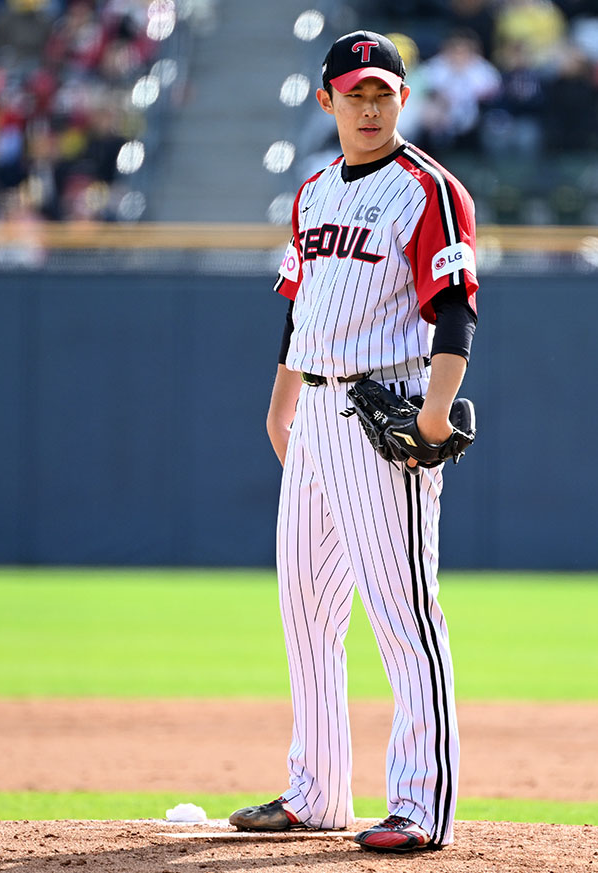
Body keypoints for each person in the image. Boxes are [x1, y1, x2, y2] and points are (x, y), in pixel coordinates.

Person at [228, 30, 479, 854]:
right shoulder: (312, 194)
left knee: (404, 615)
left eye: (383, 92)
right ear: (326, 100)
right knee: (305, 611)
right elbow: (298, 307)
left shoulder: (428, 189)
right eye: (355, 92)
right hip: (314, 418)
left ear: (402, 99)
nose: (369, 106)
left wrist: (436, 415)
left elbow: (455, 308)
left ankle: (420, 804)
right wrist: (280, 406)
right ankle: (315, 790)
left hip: (388, 414)